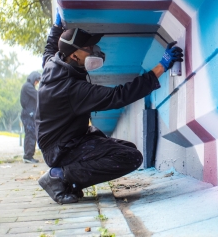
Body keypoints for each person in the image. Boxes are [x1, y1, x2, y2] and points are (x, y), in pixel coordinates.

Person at [36, 11, 183, 204]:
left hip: (65, 141)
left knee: (125, 149)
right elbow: (118, 96)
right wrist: (161, 67)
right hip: (62, 149)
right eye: (87, 47)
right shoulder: (72, 89)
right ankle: (59, 176)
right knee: (130, 157)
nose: (93, 50)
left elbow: (49, 47)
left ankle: (70, 181)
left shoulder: (53, 64)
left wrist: (56, 27)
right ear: (74, 55)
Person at [20, 71, 41, 163]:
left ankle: (28, 155)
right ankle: (28, 156)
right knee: (30, 134)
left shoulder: (29, 87)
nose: (37, 83)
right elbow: (38, 96)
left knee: (31, 134)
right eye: (36, 80)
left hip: (30, 114)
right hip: (28, 114)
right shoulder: (27, 86)